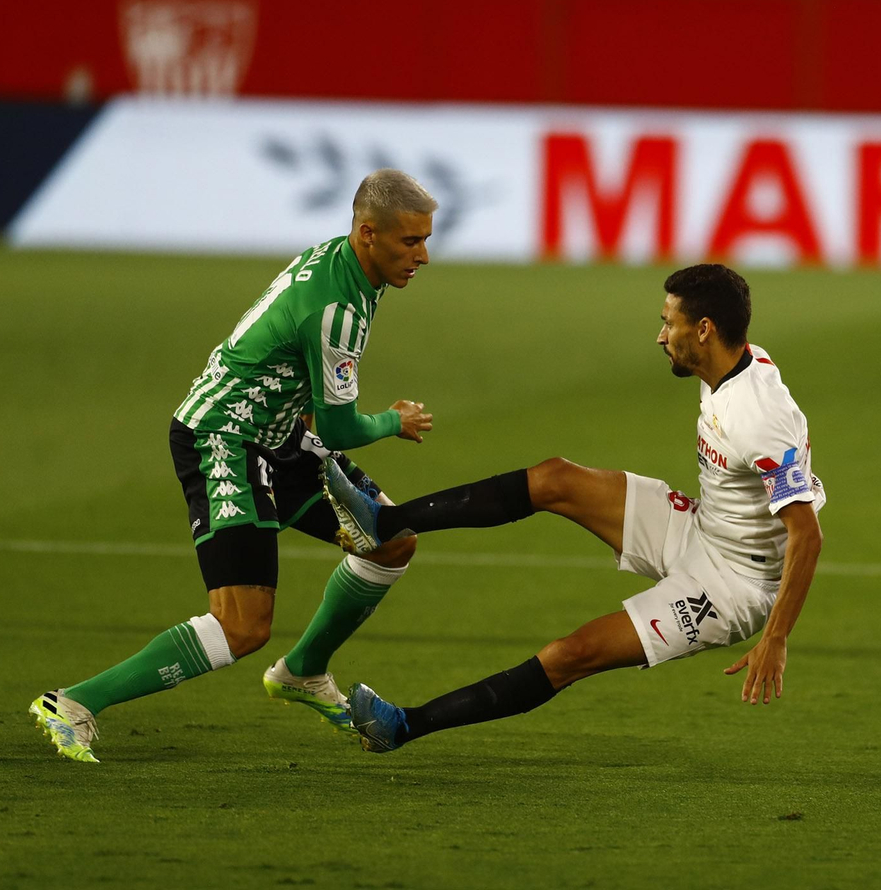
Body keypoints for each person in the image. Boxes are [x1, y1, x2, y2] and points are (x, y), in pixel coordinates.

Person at [319, 263, 826, 753]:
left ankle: (402, 726)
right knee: (556, 478)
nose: (660, 336)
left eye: (669, 323)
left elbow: (806, 535)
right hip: (701, 528)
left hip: (734, 584)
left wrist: (776, 637)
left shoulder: (757, 416)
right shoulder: (732, 364)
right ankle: (384, 523)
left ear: (704, 329)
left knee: (572, 654)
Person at [29, 170, 438, 763]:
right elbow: (342, 426)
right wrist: (393, 421)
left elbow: (294, 369)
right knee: (243, 626)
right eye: (411, 241)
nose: (423, 256)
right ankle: (71, 703)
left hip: (280, 434)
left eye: (426, 240)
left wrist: (310, 442)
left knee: (391, 540)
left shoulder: (350, 265)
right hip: (224, 438)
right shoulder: (335, 306)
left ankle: (303, 671)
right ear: (369, 233)